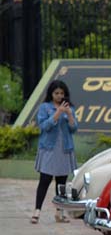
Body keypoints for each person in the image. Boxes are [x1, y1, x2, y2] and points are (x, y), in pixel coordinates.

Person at [31, 80, 79, 224]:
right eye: (56, 93)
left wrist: (69, 114)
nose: (59, 96)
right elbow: (44, 126)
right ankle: (37, 211)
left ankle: (59, 213)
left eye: (62, 93)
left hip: (64, 149)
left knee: (61, 183)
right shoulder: (45, 108)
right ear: (51, 94)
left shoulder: (69, 108)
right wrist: (57, 113)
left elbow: (74, 129)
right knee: (45, 180)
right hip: (49, 149)